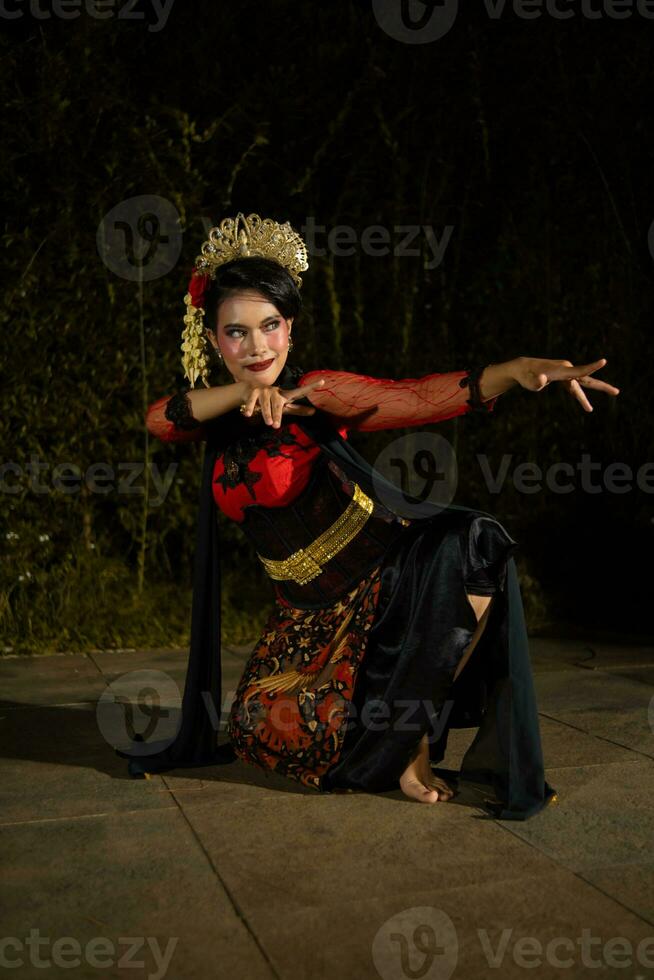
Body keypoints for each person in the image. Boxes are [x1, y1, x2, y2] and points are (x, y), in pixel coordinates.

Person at [116, 212, 619, 818]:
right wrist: (244, 396)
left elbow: (417, 398)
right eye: (237, 332)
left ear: (291, 330)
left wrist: (510, 373)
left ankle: (414, 744)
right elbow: (159, 418)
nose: (257, 347)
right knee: (263, 733)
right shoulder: (211, 416)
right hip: (306, 622)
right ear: (212, 338)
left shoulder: (318, 394)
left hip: (382, 579)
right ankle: (390, 731)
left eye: (270, 326)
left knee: (473, 542)